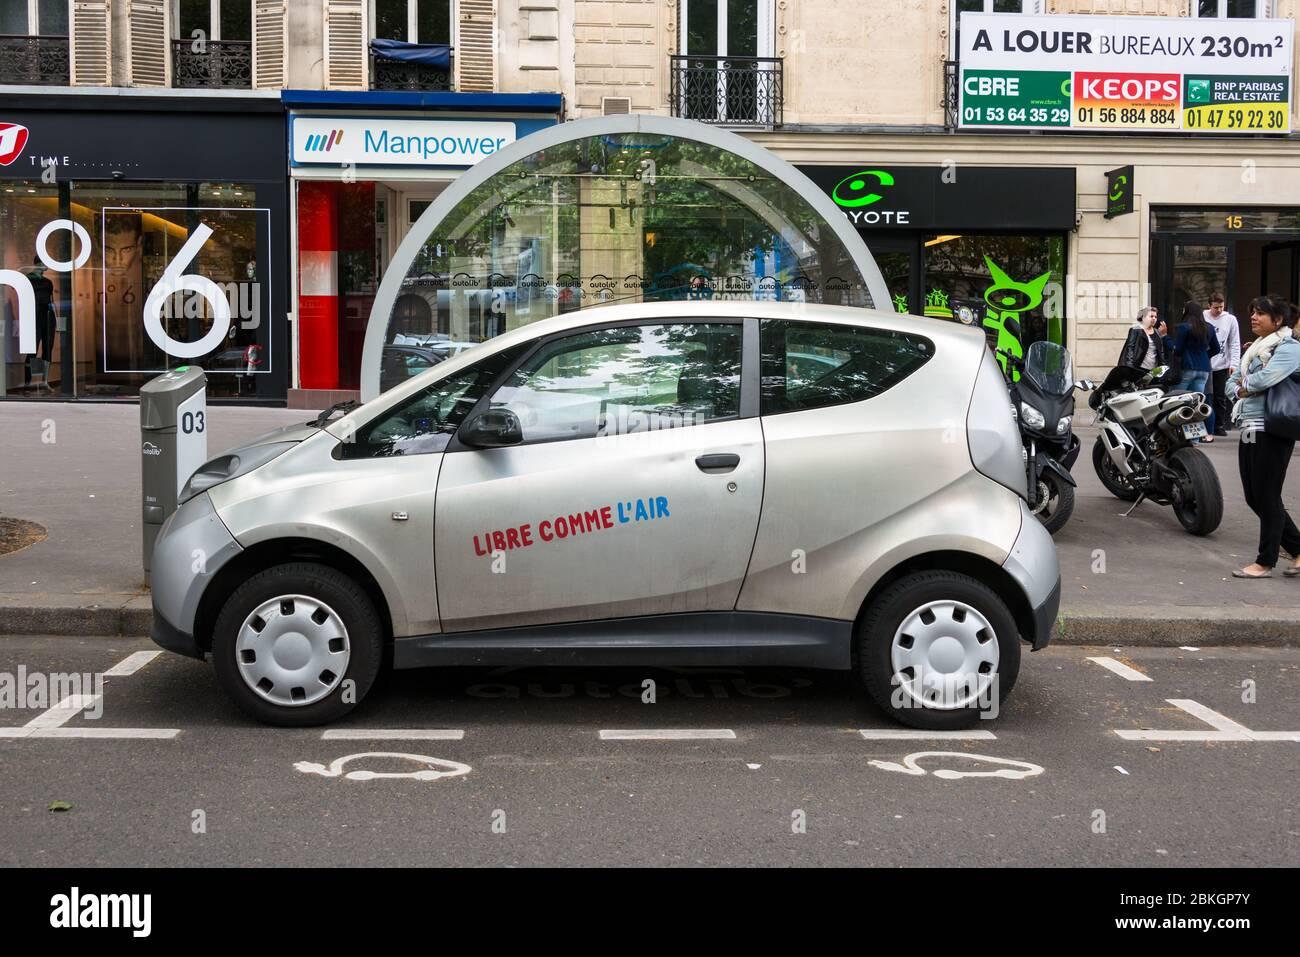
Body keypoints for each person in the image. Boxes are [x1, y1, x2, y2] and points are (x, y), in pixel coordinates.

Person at [1227, 296, 1300, 578]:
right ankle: (1296, 548)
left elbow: (1264, 379)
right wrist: (1242, 387)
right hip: (1248, 425)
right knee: (1253, 496)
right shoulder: (1255, 349)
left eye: (1260, 313)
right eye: (1253, 312)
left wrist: (1245, 385)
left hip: (1272, 427)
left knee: (1268, 495)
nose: (1254, 317)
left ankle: (1265, 561)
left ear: (1278, 320)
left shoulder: (1290, 348)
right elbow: (1232, 383)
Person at [1172, 300, 1220, 440]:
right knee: (1197, 404)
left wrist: (1165, 339)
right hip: (1204, 370)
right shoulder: (1209, 327)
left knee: (1177, 401)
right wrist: (1205, 357)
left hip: (1187, 368)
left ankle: (1177, 436)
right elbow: (1216, 348)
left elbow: (1178, 350)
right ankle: (1194, 438)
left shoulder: (1184, 327)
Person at [1205, 292, 1240, 437]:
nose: (1218, 310)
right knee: (1206, 396)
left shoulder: (1230, 319)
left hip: (1222, 363)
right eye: (1215, 307)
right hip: (1206, 362)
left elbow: (1235, 342)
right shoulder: (1203, 317)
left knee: (1220, 396)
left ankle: (1219, 425)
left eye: (1221, 307)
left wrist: (1234, 364)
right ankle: (1206, 425)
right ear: (1209, 306)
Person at [1119, 306, 1164, 370]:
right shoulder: (1136, 329)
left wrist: (1162, 366)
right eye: (1151, 316)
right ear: (1143, 317)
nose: (1154, 318)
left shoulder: (1156, 332)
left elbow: (1160, 350)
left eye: (1155, 317)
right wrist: (1130, 368)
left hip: (1153, 370)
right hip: (1139, 368)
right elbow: (1130, 348)